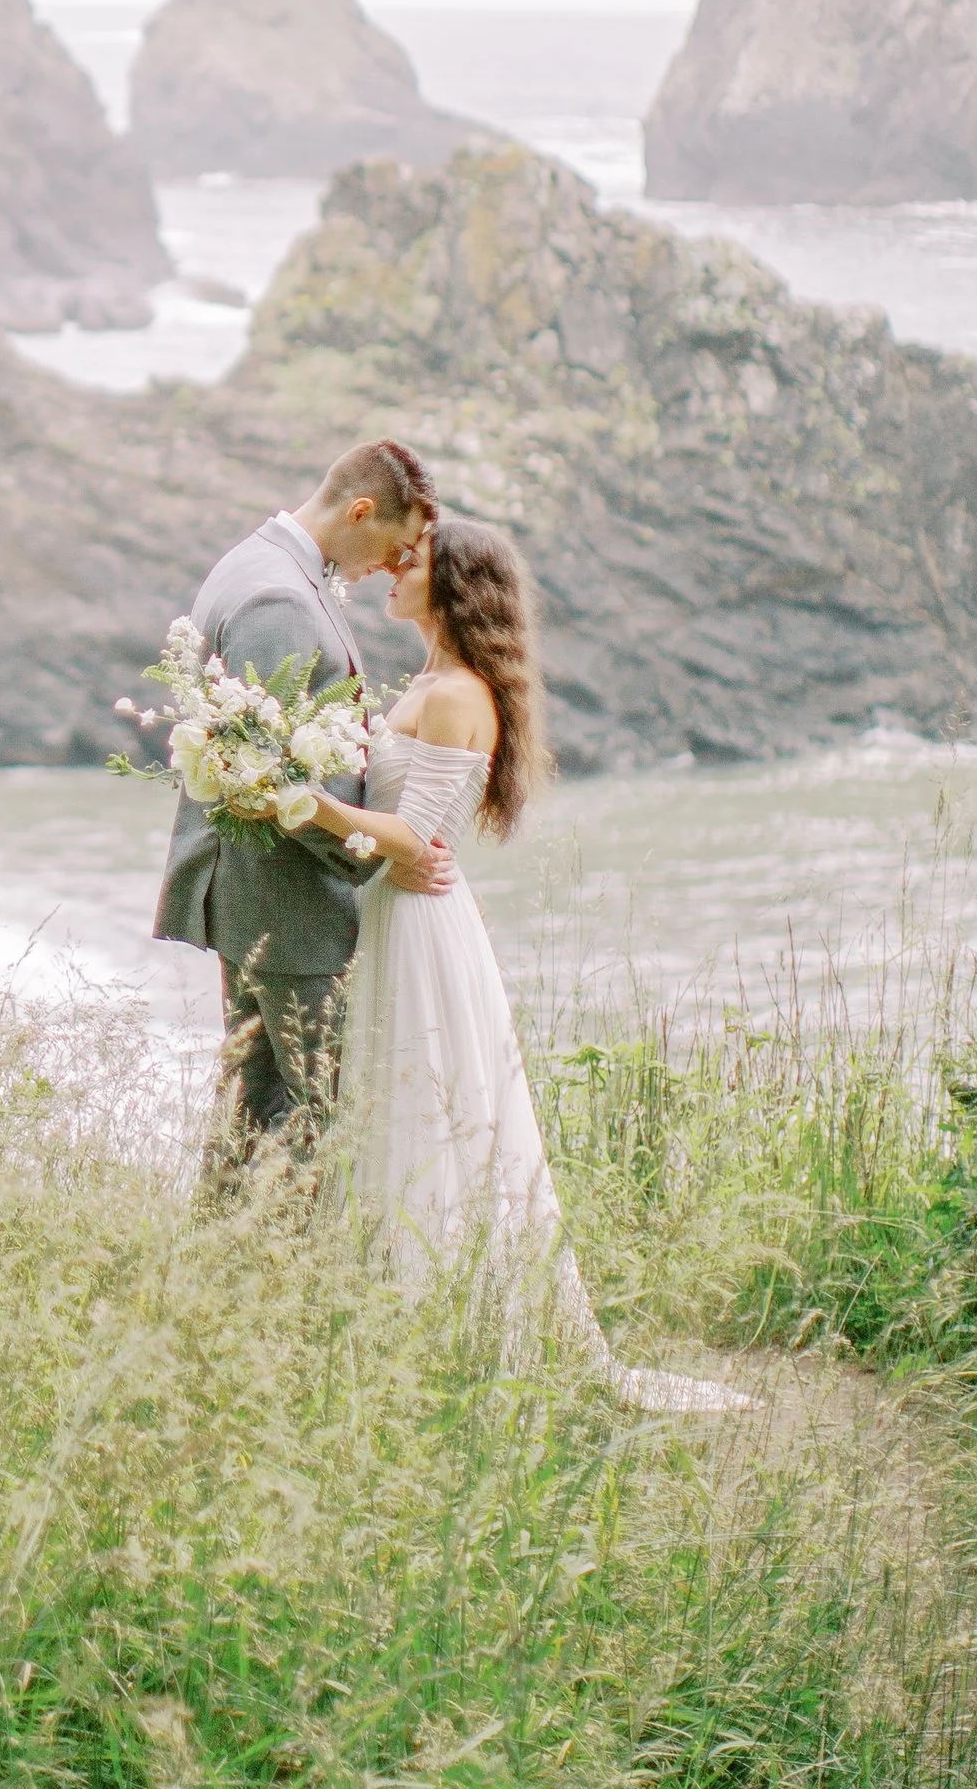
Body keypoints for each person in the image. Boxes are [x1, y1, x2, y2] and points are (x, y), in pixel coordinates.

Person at [296, 512, 749, 1414]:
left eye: (413, 560)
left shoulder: (458, 693)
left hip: (419, 926)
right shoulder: (434, 681)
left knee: (427, 1109)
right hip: (399, 912)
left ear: (455, 587)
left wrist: (306, 803)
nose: (394, 568)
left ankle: (433, 1331)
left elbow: (415, 836)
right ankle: (391, 1325)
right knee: (398, 1103)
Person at [154, 440, 441, 1190]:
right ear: (361, 511)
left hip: (262, 900)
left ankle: (222, 1255)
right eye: (397, 545)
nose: (394, 566)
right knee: (318, 1119)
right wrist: (379, 852)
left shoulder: (256, 563)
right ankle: (282, 1260)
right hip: (286, 905)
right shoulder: (278, 597)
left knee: (251, 1118)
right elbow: (267, 781)